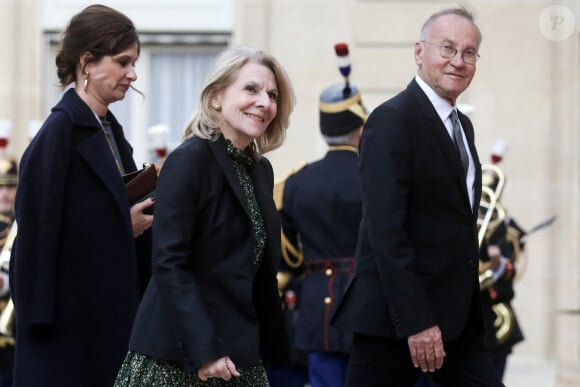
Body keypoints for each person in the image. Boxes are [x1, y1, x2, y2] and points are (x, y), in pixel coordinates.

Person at [331, 7, 505, 387]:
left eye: (469, 52)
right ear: (419, 52)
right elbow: (385, 231)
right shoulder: (392, 119)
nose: (458, 61)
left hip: (457, 320)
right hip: (395, 320)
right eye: (447, 48)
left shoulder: (464, 127)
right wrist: (417, 320)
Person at [114, 45, 296, 386]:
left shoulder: (260, 169)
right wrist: (204, 350)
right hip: (179, 356)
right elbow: (169, 264)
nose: (265, 102)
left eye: (272, 95)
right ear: (215, 98)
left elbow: (257, 271)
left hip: (239, 356)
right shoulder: (189, 159)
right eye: (251, 89)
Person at [9, 5, 153, 386]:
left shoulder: (108, 128)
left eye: (133, 62)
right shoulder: (59, 132)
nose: (133, 74)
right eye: (123, 62)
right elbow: (38, 244)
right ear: (87, 62)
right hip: (66, 342)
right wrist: (124, 226)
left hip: (107, 325)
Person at [269, 42, 365, 387]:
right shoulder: (380, 179)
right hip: (370, 304)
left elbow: (288, 255)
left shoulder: (296, 183)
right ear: (361, 128)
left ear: (326, 131)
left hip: (317, 309)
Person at [0, 156, 17, 387]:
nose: (4, 193)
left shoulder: (26, 225)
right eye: (0, 186)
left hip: (16, 336)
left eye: (11, 186)